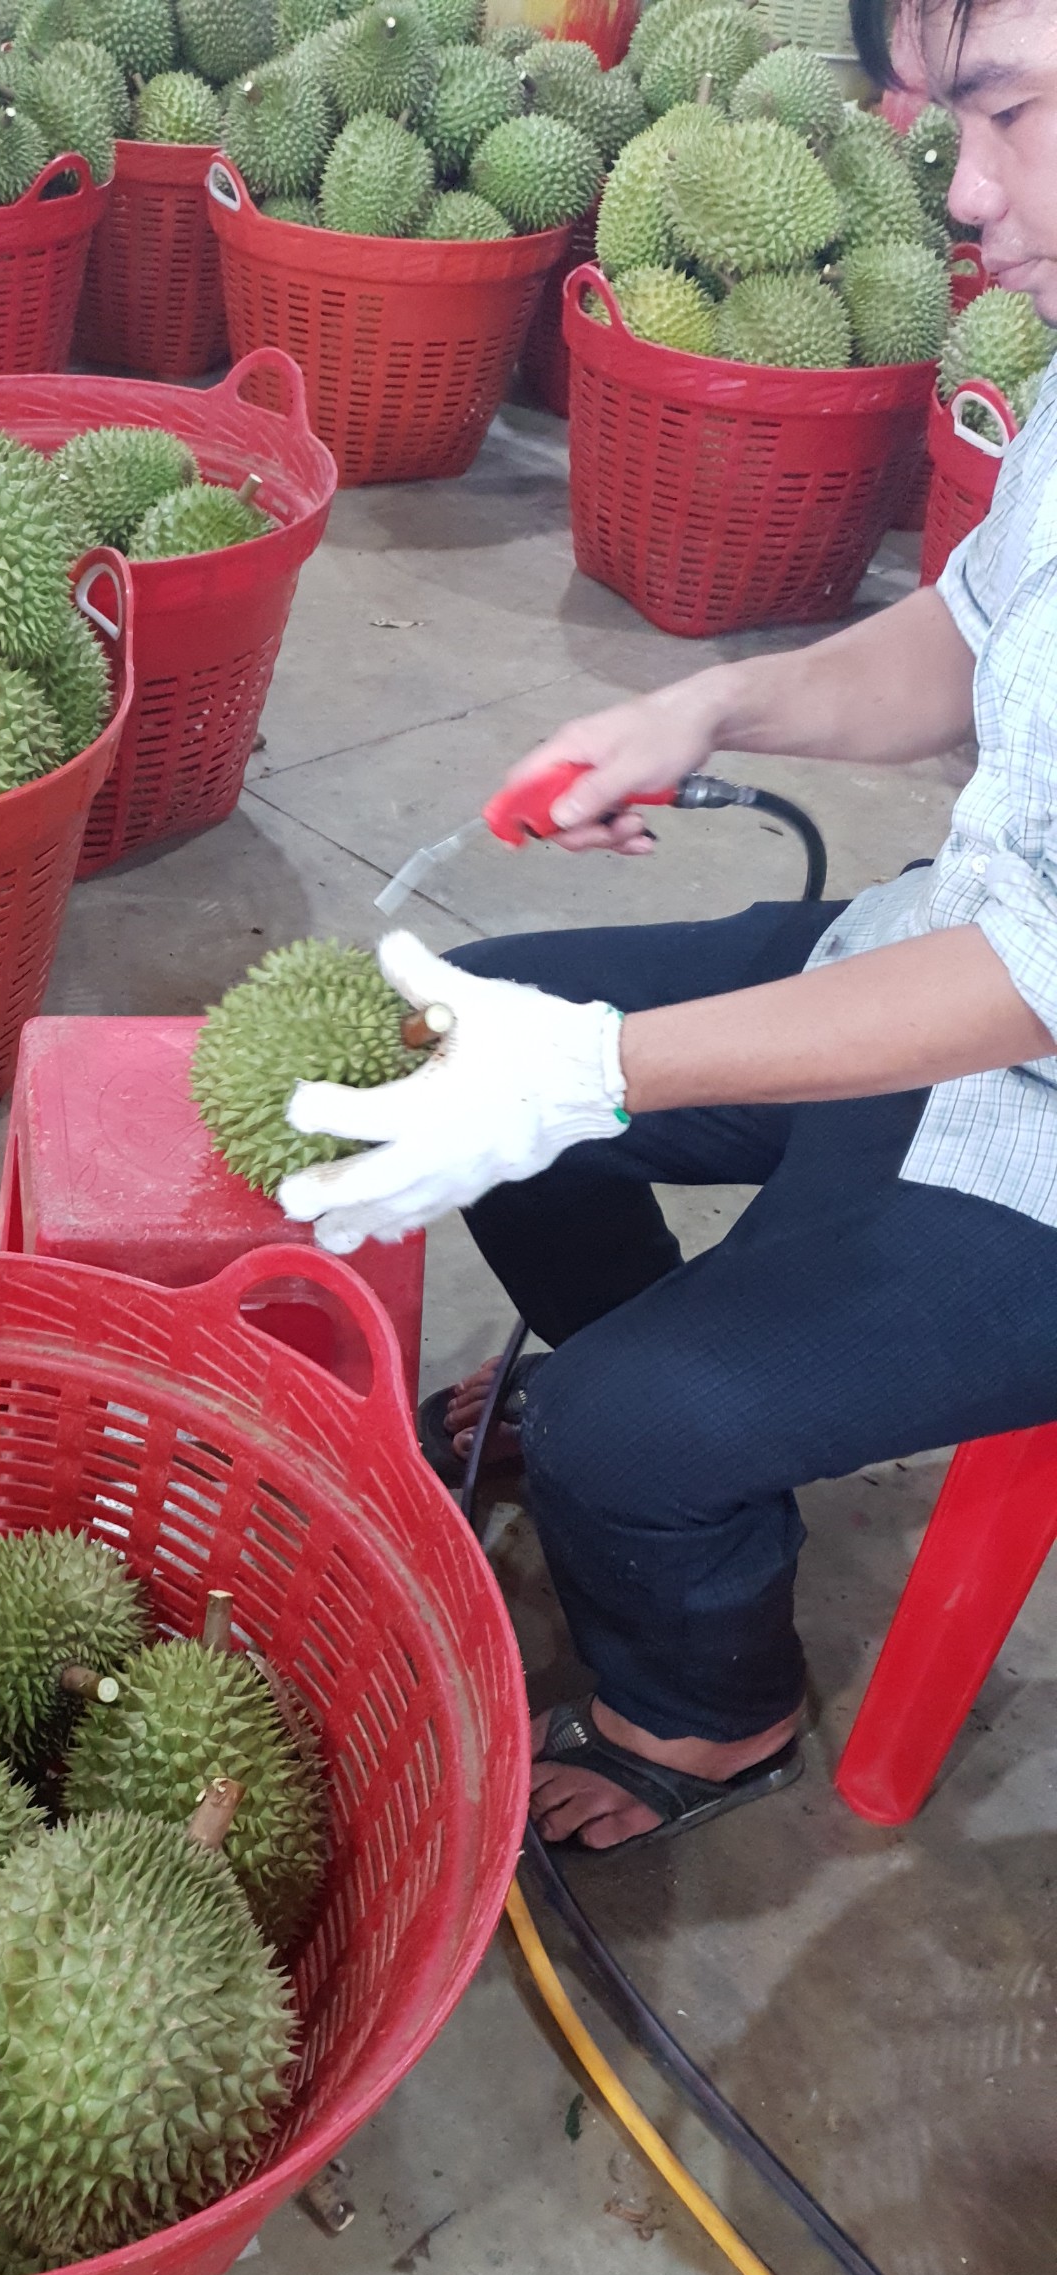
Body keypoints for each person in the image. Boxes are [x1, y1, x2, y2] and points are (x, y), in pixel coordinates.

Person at [276, 0, 1057, 1853]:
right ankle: (680, 1433)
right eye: (950, 129)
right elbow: (963, 634)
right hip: (944, 958)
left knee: (623, 1405)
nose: (971, 191)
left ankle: (710, 1711)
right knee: (472, 1019)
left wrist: (604, 1073)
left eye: (1009, 112)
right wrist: (711, 708)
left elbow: (1035, 983)